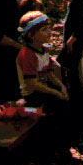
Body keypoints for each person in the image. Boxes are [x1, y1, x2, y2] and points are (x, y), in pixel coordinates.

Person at [16, 11, 75, 154]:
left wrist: (62, 87)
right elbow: (32, 83)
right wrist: (55, 92)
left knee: (68, 101)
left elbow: (49, 74)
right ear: (30, 35)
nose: (49, 32)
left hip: (43, 89)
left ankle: (61, 143)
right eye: (44, 30)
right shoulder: (27, 54)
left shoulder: (43, 51)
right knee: (55, 106)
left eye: (49, 28)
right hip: (31, 94)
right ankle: (48, 147)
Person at [56, 0, 83, 146]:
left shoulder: (77, 1)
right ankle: (78, 127)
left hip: (74, 48)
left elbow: (79, 24)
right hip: (74, 46)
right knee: (73, 83)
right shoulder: (77, 1)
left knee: (74, 84)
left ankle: (77, 127)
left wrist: (71, 40)